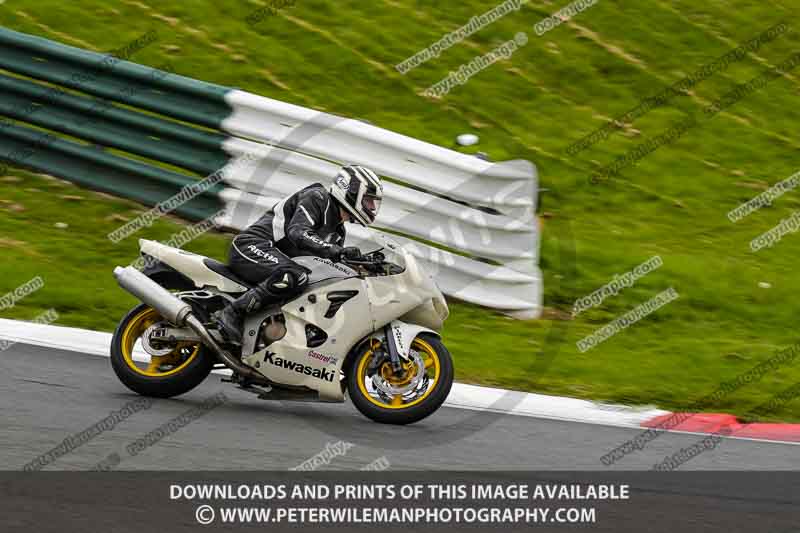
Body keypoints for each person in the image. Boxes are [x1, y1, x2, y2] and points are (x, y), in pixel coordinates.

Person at [215, 164, 384, 343]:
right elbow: (298, 232)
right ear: (350, 190)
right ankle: (232, 313)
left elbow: (329, 267)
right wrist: (337, 251)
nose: (372, 206)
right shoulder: (317, 198)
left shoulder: (338, 231)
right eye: (368, 200)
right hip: (252, 246)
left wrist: (364, 266)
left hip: (276, 262)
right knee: (295, 275)